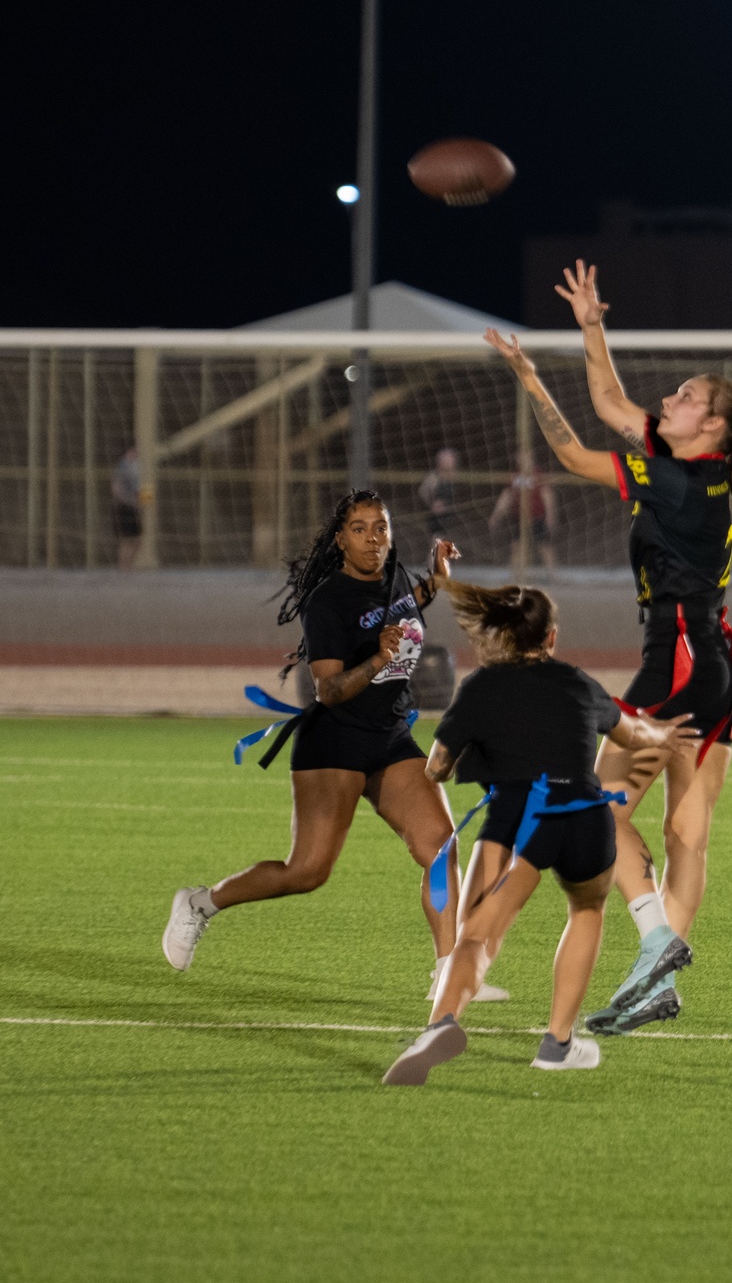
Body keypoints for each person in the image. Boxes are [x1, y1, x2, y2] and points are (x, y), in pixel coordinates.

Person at [483, 257, 732, 1035]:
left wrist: (530, 378)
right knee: (686, 832)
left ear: (710, 424)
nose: (668, 400)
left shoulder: (676, 481)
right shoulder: (692, 463)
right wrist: (591, 325)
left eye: (685, 397)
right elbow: (609, 401)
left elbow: (576, 452)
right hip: (717, 665)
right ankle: (655, 984)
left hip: (676, 659)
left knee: (587, 803)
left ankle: (655, 942)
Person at [161, 488, 505, 1002]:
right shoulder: (327, 601)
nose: (373, 539)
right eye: (361, 529)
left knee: (440, 847)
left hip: (389, 736)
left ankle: (448, 973)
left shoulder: (396, 578)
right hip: (334, 741)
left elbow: (414, 600)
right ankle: (200, 903)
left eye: (381, 528)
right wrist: (377, 661)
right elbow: (328, 689)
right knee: (307, 872)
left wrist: (437, 576)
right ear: (341, 540)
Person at [382, 580, 699, 1085]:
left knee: (478, 935)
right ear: (550, 638)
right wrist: (663, 734)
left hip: (517, 815)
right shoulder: (577, 681)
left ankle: (441, 1024)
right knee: (586, 909)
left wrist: (470, 759)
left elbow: (437, 766)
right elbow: (631, 733)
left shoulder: (480, 688)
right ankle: (557, 1043)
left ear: (497, 637)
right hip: (584, 812)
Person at [488, 448, 558, 570]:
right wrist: (496, 516)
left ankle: (553, 576)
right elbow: (506, 497)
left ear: (531, 459)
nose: (521, 460)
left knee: (544, 546)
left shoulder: (538, 474)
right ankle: (516, 576)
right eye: (519, 457)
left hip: (537, 516)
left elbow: (548, 496)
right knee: (516, 546)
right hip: (519, 517)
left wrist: (550, 516)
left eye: (524, 457)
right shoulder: (515, 476)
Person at [111, 445, 142, 570]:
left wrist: (144, 504)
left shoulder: (136, 469)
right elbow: (115, 489)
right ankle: (124, 568)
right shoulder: (122, 468)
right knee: (126, 541)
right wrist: (129, 501)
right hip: (124, 507)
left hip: (133, 507)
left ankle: (128, 567)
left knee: (137, 541)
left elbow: (141, 487)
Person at [418, 447, 459, 540]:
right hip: (437, 517)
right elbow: (422, 491)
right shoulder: (434, 477)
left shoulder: (452, 477)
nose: (452, 462)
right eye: (449, 460)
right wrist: (432, 503)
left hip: (448, 515)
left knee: (443, 544)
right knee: (438, 543)